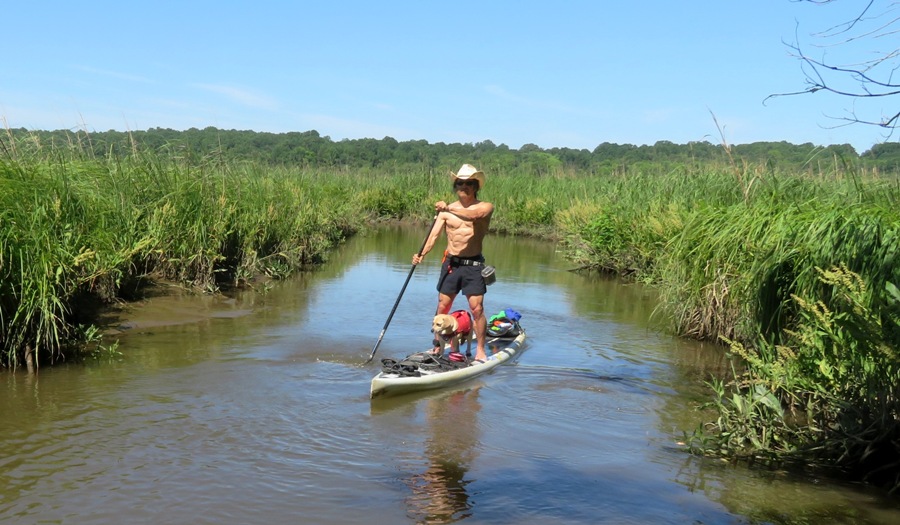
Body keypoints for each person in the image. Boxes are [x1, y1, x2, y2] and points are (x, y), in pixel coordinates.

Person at [412, 164, 494, 362]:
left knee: (477, 309)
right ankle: (438, 346)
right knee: (442, 306)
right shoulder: (445, 212)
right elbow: (433, 235)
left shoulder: (484, 207)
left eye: (468, 183)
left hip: (473, 265)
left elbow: (475, 216)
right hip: (451, 264)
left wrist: (448, 208)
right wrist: (421, 253)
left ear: (475, 186)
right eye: (460, 183)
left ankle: (481, 350)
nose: (463, 186)